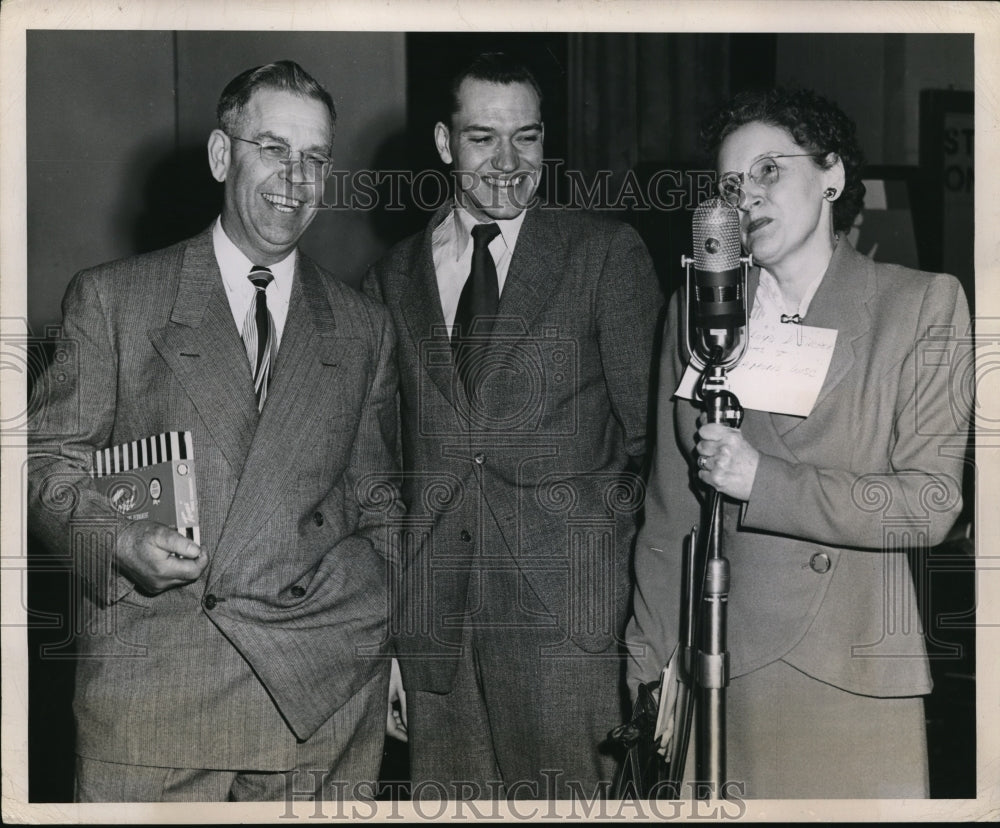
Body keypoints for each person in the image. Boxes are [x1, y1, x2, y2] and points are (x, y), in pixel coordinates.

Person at [28, 60, 402, 802]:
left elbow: (378, 501)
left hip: (318, 709)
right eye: (273, 148)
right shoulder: (113, 301)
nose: (296, 179)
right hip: (156, 702)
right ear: (221, 155)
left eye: (316, 158)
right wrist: (122, 543)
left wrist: (376, 634)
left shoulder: (365, 329)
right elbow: (44, 466)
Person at [626, 87, 972, 798]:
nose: (745, 195)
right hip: (720, 666)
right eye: (729, 183)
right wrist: (646, 660)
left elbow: (930, 503)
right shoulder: (696, 312)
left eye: (768, 170)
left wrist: (763, 480)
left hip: (851, 675)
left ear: (834, 176)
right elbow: (669, 515)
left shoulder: (920, 306)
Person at [363, 52, 662, 799]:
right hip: (437, 643)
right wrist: (391, 646)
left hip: (570, 636)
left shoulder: (604, 254)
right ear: (442, 143)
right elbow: (380, 472)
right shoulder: (391, 278)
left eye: (526, 138)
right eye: (482, 139)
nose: (507, 163)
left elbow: (651, 448)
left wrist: (622, 609)